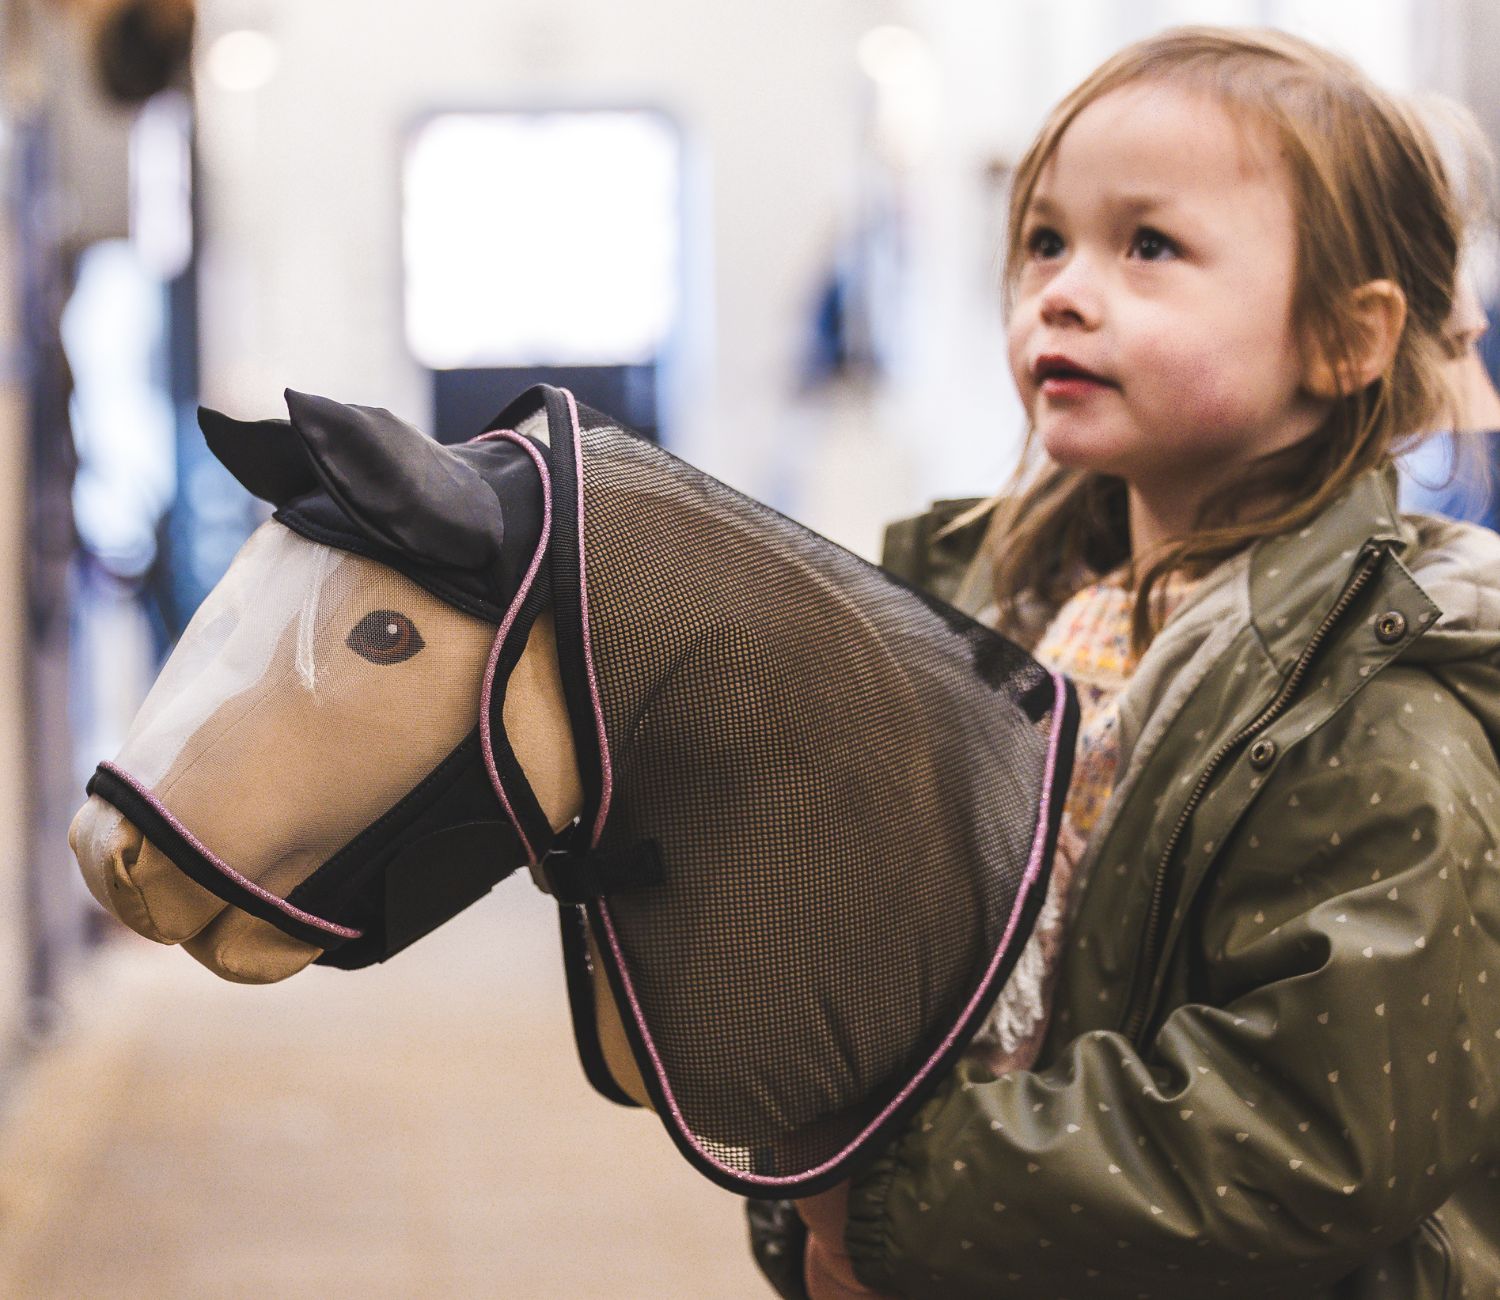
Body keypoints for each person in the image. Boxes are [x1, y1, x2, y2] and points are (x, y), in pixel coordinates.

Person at [749, 26, 1500, 1299]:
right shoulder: (1011, 624)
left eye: (1149, 246)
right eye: (1046, 240)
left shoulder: (1384, 709)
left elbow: (1301, 1134)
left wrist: (885, 1203)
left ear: (1347, 338)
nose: (1064, 289)